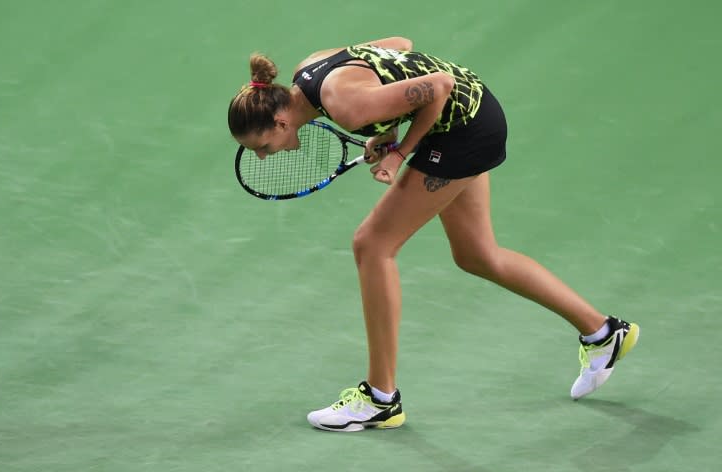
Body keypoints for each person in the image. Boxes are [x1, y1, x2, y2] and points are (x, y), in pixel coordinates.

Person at [227, 36, 640, 432]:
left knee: (372, 245)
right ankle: (604, 333)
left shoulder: (346, 106)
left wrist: (401, 152)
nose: (266, 155)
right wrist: (386, 128)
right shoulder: (309, 71)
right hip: (473, 114)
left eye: (263, 145)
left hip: (462, 131)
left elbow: (438, 87)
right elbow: (398, 48)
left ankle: (380, 398)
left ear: (281, 121)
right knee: (477, 254)